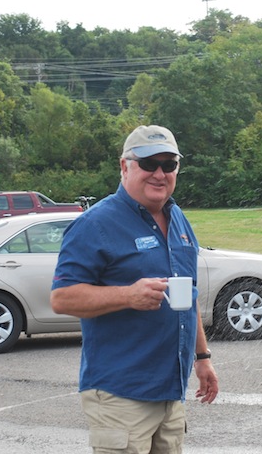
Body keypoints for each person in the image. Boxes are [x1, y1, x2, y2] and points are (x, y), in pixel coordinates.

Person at [51, 124, 219, 454]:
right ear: (124, 166)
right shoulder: (96, 224)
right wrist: (128, 295)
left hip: (171, 394)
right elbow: (61, 298)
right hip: (121, 396)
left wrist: (202, 358)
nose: (159, 173)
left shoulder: (179, 220)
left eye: (168, 165)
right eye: (148, 163)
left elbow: (188, 295)